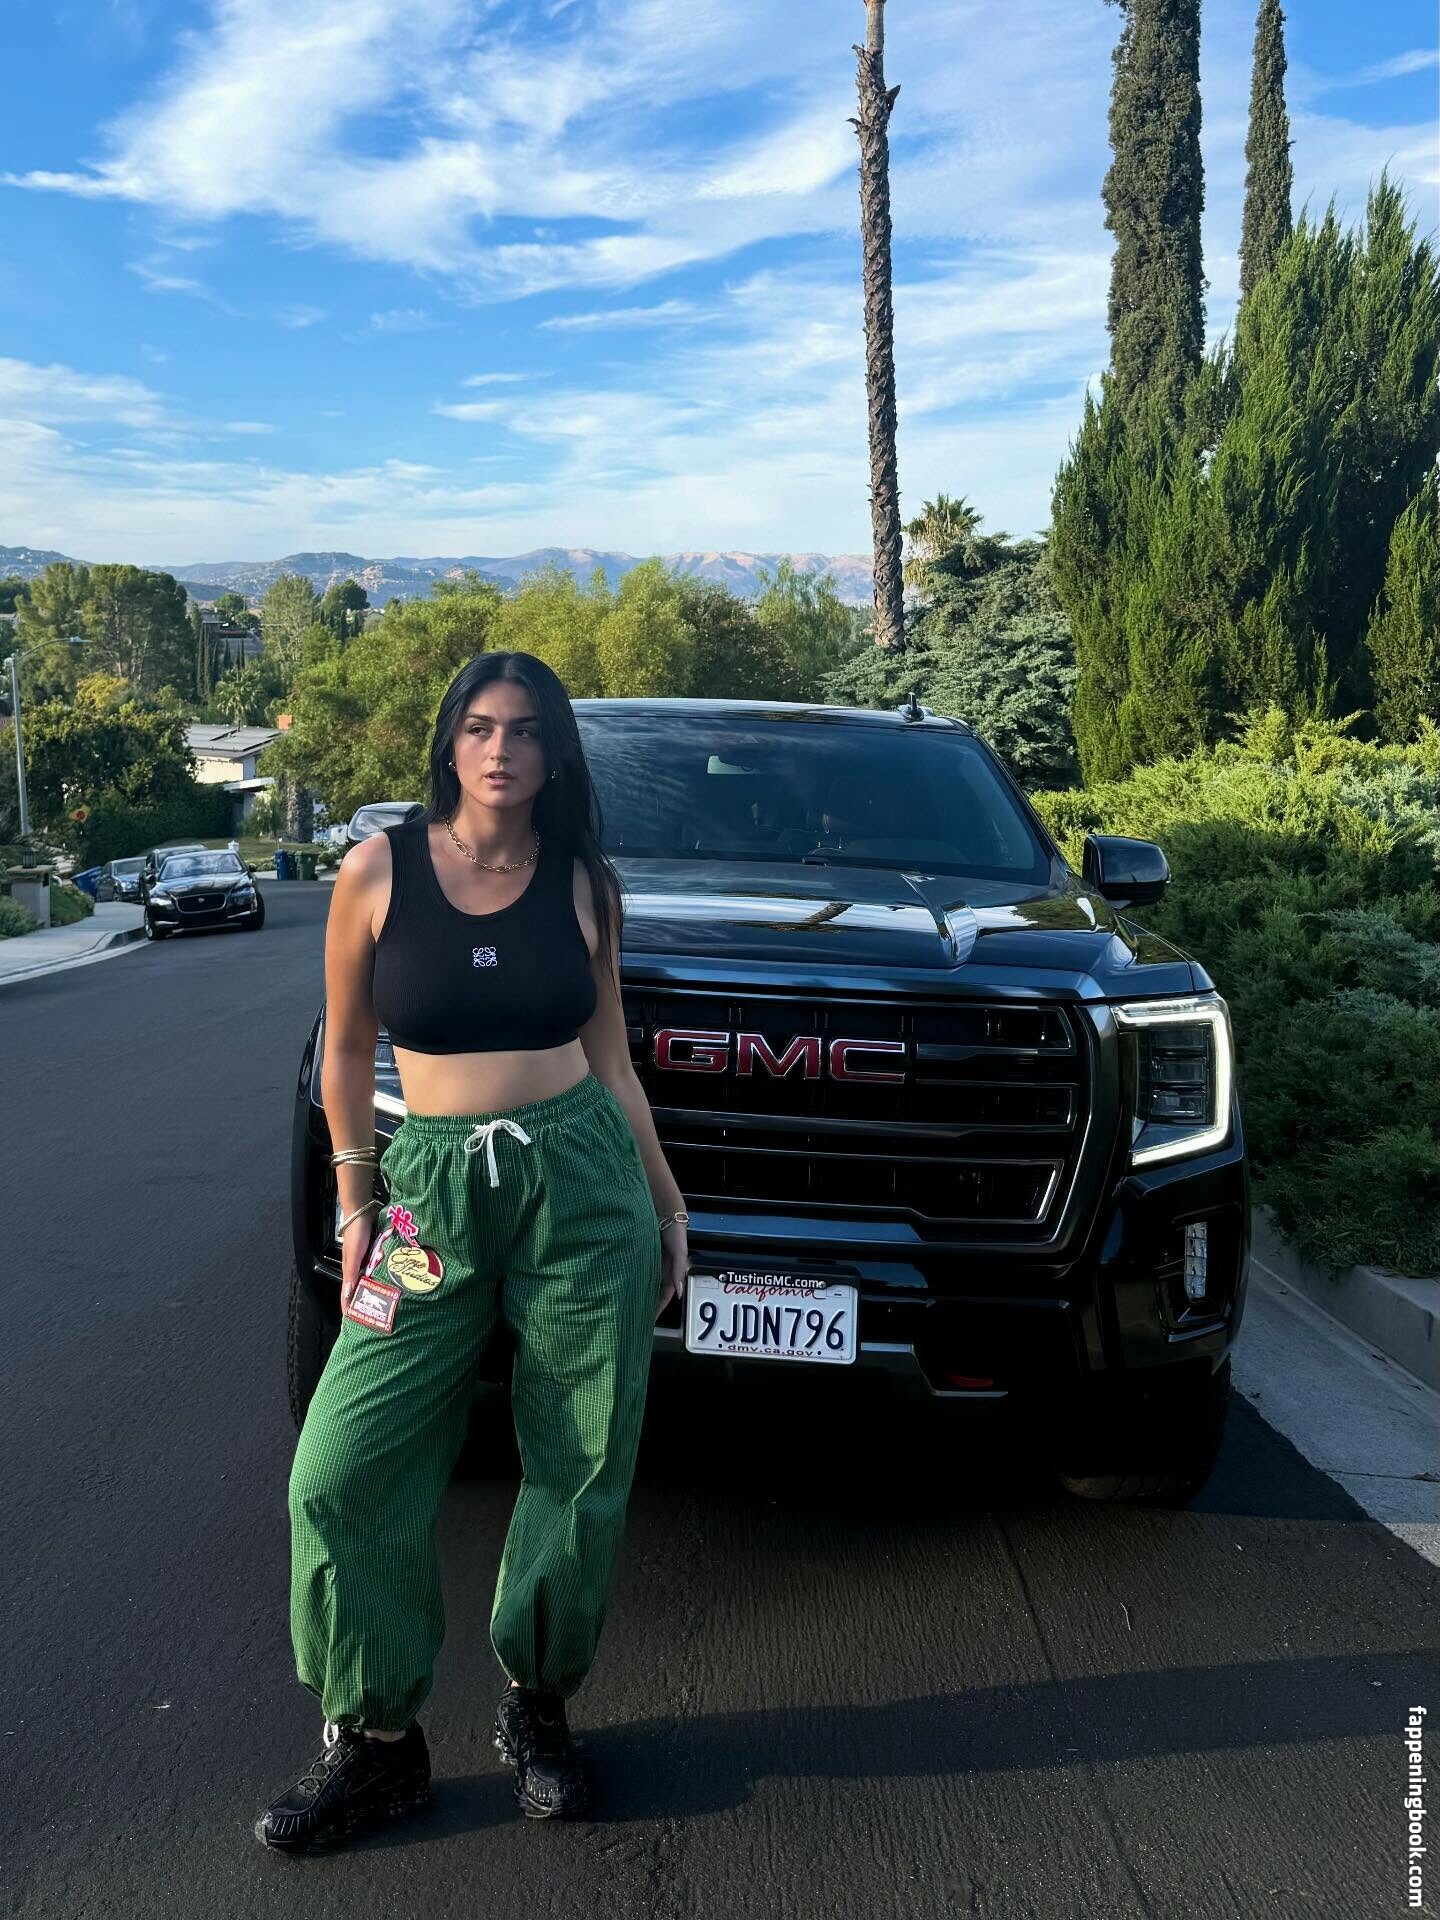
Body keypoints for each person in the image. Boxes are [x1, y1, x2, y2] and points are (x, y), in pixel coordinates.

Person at [254, 651, 689, 1852]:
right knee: (339, 1464)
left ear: (556, 754)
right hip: (428, 1199)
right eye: (483, 727)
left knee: (580, 1453)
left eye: (529, 730)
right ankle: (375, 1744)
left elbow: (614, 1064)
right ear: (450, 740)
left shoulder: (584, 883)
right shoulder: (376, 870)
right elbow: (348, 1053)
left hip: (580, 1183)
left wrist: (666, 1205)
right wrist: (356, 1205)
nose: (504, 750)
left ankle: (538, 1707)